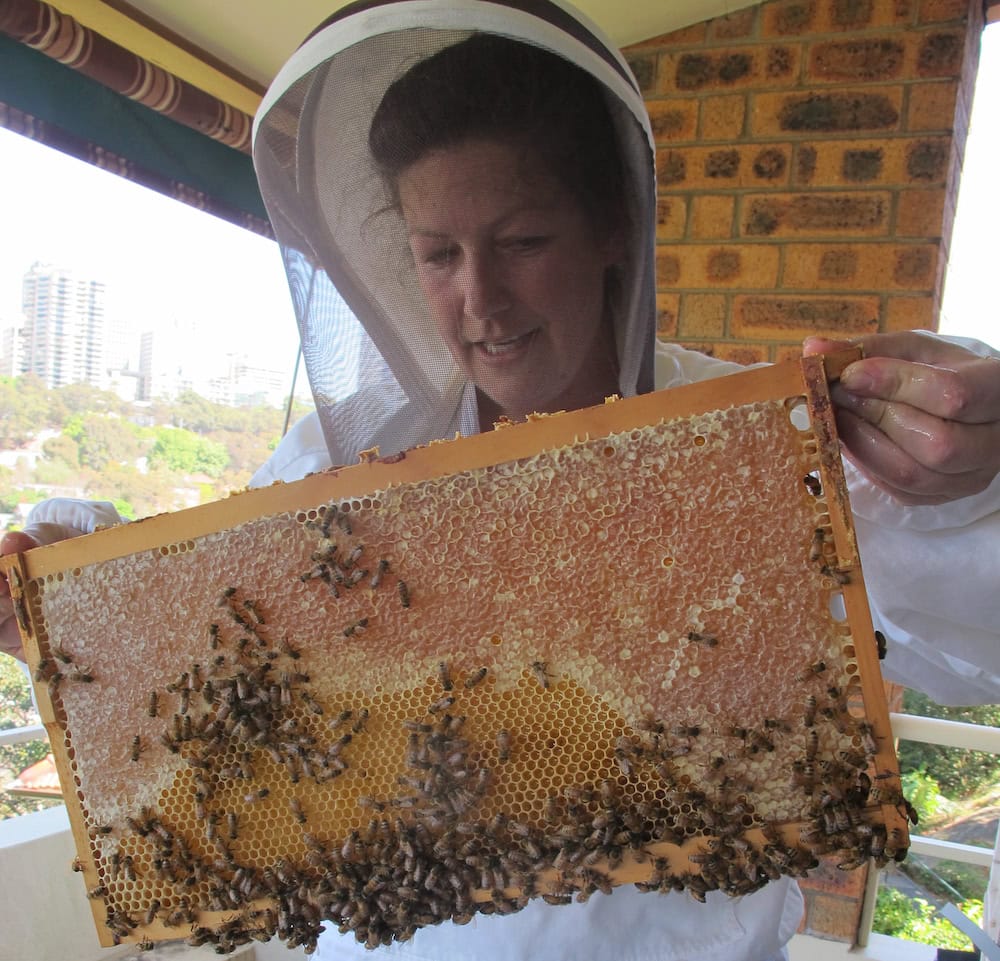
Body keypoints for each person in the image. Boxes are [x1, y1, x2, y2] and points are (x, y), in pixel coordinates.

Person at [2, 0, 999, 957]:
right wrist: (63, 603)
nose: (480, 299)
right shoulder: (337, 462)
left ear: (613, 227)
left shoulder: (753, 447)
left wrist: (967, 484)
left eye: (522, 241)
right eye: (438, 253)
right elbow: (204, 640)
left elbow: (974, 651)